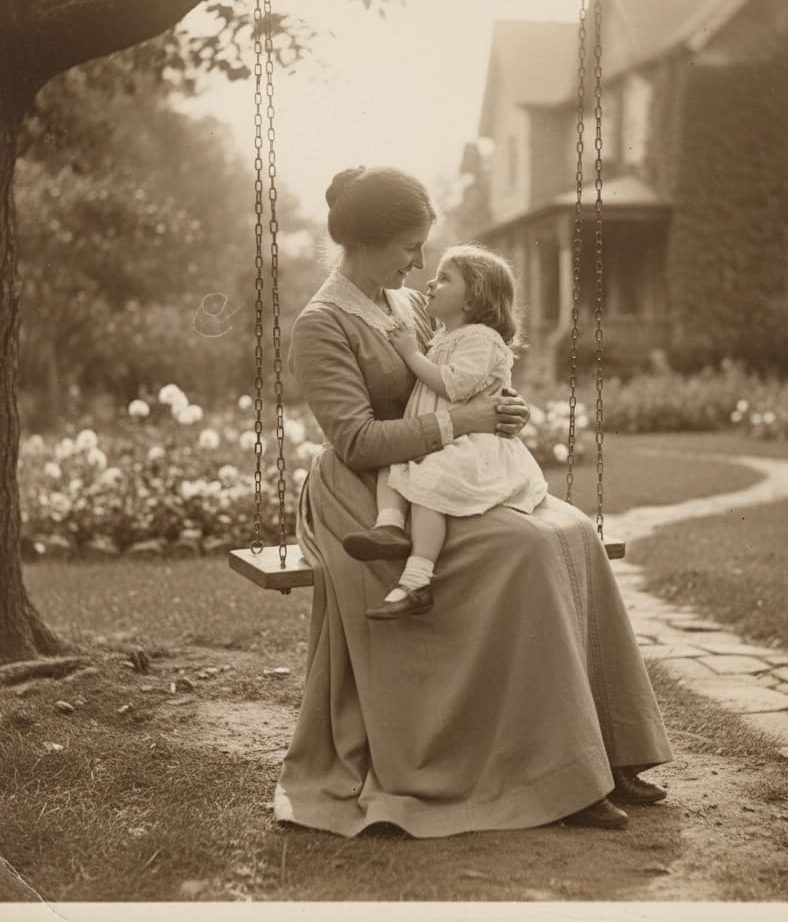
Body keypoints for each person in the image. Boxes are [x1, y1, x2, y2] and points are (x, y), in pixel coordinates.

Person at [274, 165, 672, 838]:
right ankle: (561, 772)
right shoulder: (322, 324)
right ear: (366, 240)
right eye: (409, 247)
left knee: (573, 529)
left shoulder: (408, 306)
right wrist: (465, 421)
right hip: (371, 493)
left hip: (443, 469)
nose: (418, 263)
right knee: (527, 548)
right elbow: (358, 440)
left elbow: (465, 374)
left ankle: (612, 749)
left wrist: (501, 406)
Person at [342, 244, 549, 621]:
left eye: (444, 278)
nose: (430, 283)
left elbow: (456, 385)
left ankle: (417, 580)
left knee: (430, 482)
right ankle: (389, 528)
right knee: (394, 463)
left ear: (472, 299)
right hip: (443, 438)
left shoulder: (481, 338)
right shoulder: (447, 336)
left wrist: (410, 354)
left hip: (470, 444)